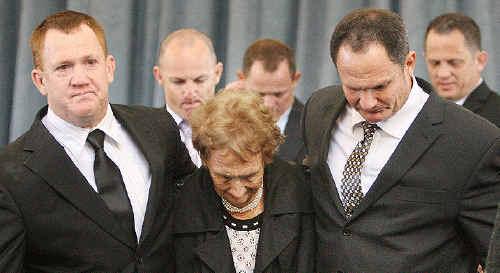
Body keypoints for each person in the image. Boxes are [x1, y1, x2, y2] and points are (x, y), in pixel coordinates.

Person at [302, 8, 500, 272]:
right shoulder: (319, 108)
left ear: (409, 63)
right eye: (354, 88)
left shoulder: (473, 141)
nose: (368, 102)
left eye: (380, 86)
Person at [0, 10, 194, 272]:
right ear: (40, 80)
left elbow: (199, 211)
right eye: (63, 67)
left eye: (90, 62)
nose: (80, 79)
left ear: (109, 67)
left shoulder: (159, 128)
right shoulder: (9, 174)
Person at [172, 89, 315, 272]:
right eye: (224, 177)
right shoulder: (183, 203)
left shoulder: (301, 192)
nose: (237, 191)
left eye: (249, 176)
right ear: (205, 160)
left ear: (265, 156)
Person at [153, 28, 223, 167]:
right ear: (159, 76)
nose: (190, 92)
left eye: (200, 80)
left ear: (217, 73)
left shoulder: (238, 132)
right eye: (178, 82)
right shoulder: (144, 136)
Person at [424, 12, 500, 127]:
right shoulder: (420, 114)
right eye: (435, 63)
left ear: (480, 60)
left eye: (454, 62)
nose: (443, 73)